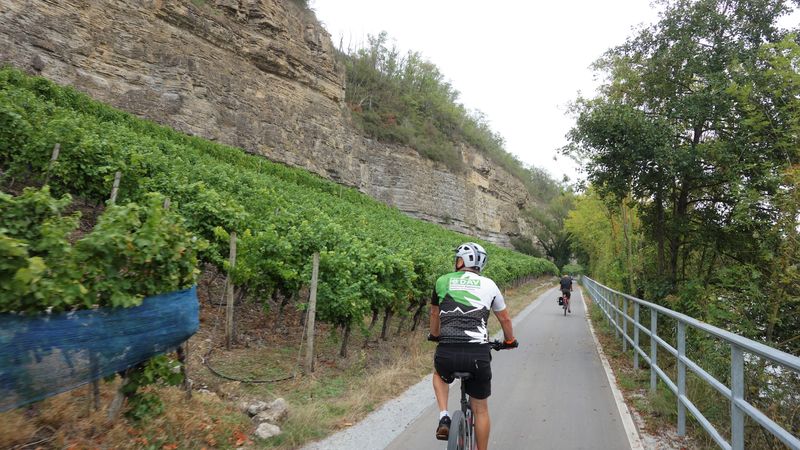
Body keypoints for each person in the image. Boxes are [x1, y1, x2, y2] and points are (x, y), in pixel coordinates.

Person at [427, 242, 518, 450]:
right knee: (481, 410)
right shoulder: (489, 285)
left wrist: (435, 335)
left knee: (439, 374)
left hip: (447, 351)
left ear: (461, 261)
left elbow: (434, 313)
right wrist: (509, 341)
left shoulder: (442, 280)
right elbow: (505, 319)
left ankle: (444, 416)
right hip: (478, 354)